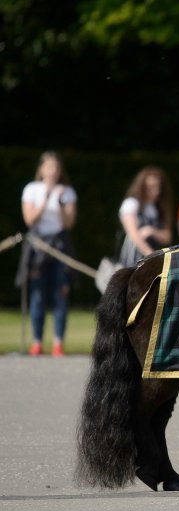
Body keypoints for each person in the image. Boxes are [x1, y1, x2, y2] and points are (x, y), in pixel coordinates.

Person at [18, 151, 77, 357]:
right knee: (37, 295)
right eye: (49, 167)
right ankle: (36, 342)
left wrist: (60, 201)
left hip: (59, 246)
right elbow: (30, 220)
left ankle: (58, 343)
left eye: (56, 168)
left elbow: (68, 223)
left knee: (61, 293)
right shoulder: (32, 189)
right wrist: (46, 196)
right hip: (37, 247)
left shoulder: (67, 192)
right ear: (41, 169)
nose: (52, 172)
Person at [118, 166, 173, 267]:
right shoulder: (131, 204)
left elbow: (167, 236)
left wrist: (151, 231)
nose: (155, 191)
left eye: (157, 187)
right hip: (133, 260)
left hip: (152, 259)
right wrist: (151, 255)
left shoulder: (158, 208)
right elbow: (133, 235)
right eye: (151, 187)